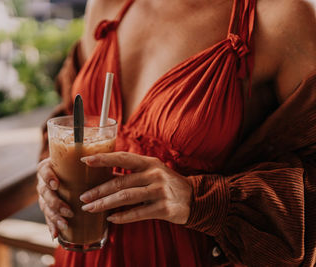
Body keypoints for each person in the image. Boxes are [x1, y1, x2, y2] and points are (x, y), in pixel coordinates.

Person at [36, 0, 316, 266]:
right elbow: (69, 121)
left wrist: (201, 201)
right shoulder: (107, 6)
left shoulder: (282, 17)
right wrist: (52, 183)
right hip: (80, 257)